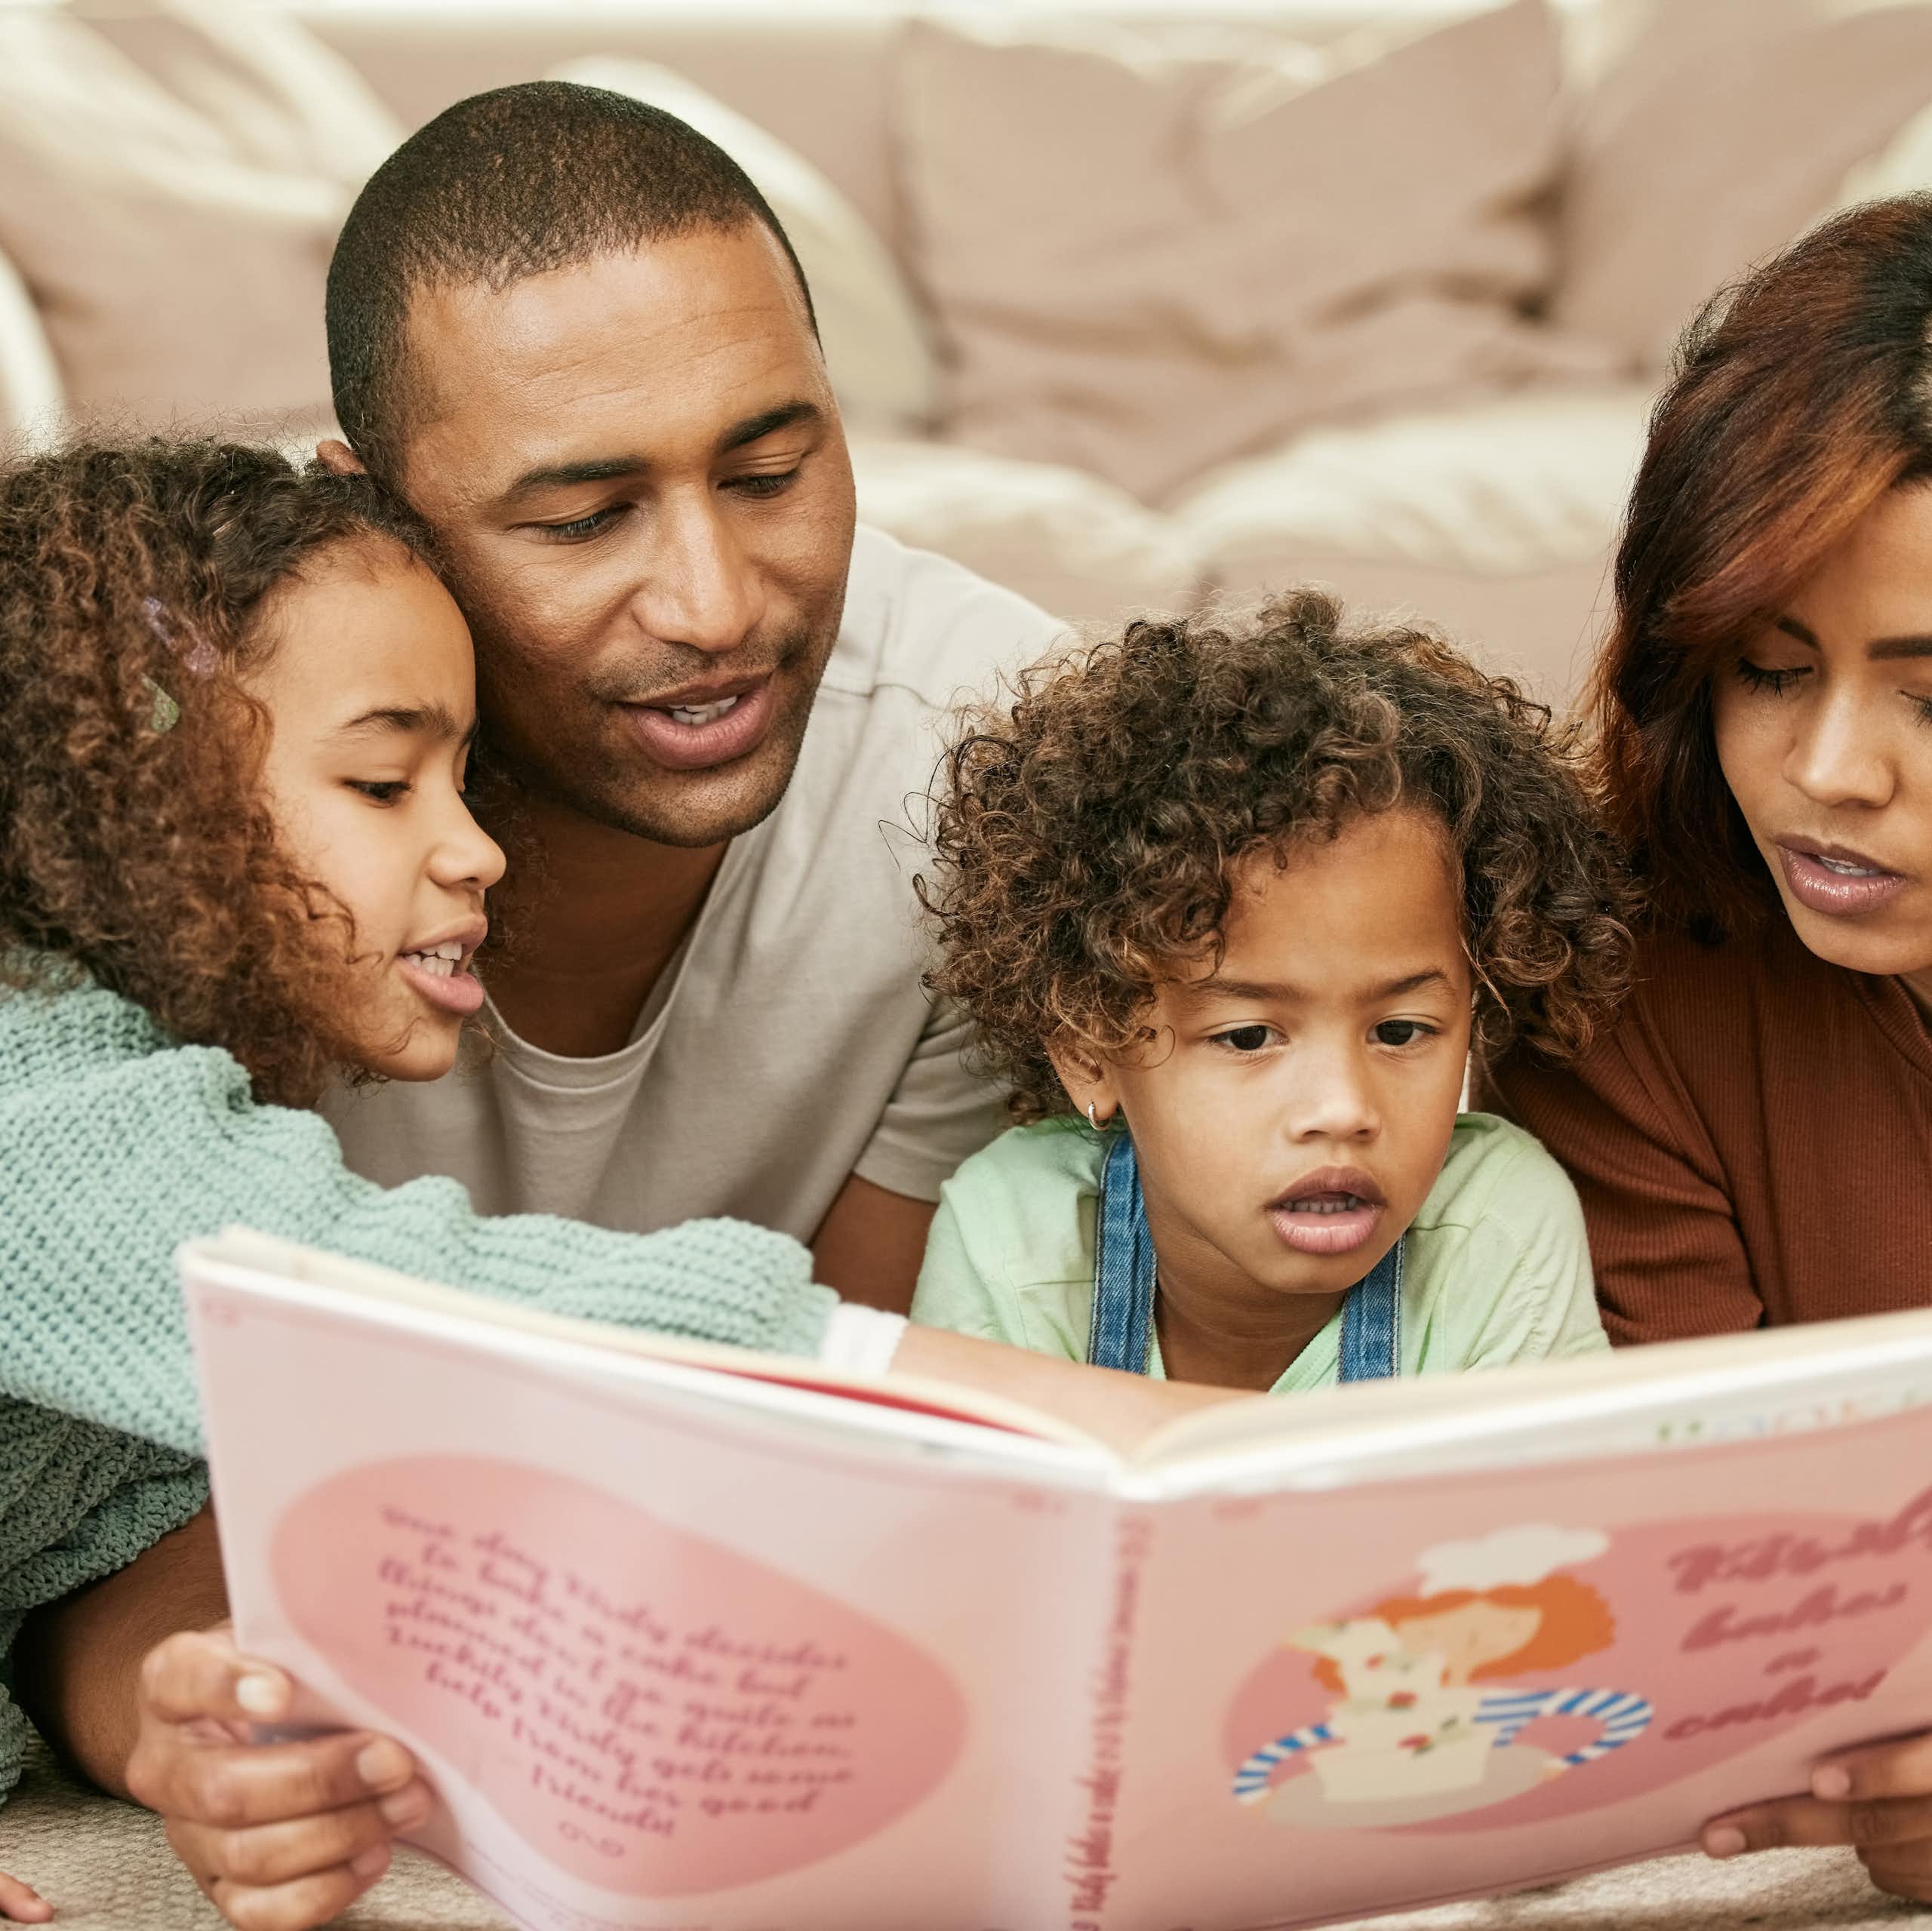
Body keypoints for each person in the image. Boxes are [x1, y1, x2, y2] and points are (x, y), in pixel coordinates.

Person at [0, 440, 1235, 1928]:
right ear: (131, 776)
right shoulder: (41, 1110)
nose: (471, 851)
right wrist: (1178, 1454)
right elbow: (418, 1313)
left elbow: (105, 1532)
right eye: (383, 780)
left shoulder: (154, 1106)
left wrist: (199, 1733)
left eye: (461, 779)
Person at [313, 79, 1064, 1312]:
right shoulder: (200, 785)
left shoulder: (997, 768)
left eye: (769, 473)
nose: (714, 610)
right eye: (584, 520)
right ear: (369, 515)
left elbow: (862, 1420)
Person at [1479, 193, 1932, 1899]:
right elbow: (1714, 1582)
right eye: (1761, 666)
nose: (1825, 769)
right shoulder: (1617, 980)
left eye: (1928, 694)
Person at [909, 594, 1632, 1392]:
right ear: (1089, 1046)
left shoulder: (1497, 1226)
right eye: (1249, 1036)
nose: (1342, 1109)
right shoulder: (1011, 1235)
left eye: (1400, 1031)